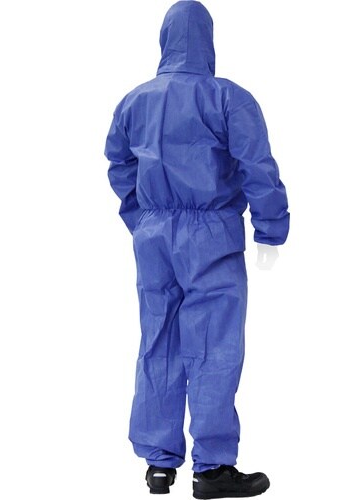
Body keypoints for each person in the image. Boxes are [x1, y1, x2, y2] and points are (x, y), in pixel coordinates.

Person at [104, 1, 289, 497]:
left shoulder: (135, 101)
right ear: (208, 39)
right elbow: (257, 166)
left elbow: (119, 165)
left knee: (158, 341)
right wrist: (270, 230)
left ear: (164, 39)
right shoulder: (227, 98)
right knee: (213, 346)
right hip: (210, 236)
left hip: (154, 238)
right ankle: (212, 469)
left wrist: (141, 218)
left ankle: (158, 464)